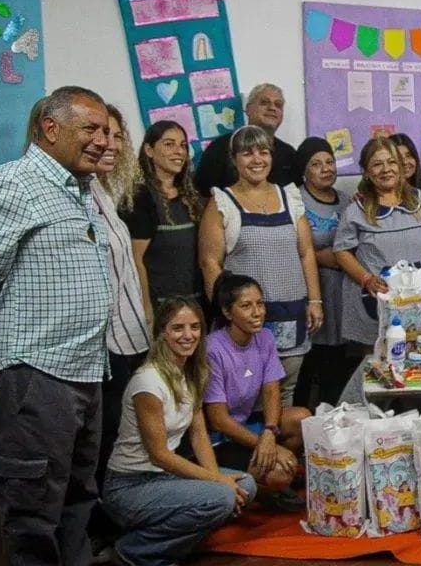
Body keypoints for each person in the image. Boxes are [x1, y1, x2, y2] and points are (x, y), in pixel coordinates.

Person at [0, 86, 111, 566]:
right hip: (37, 376)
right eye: (90, 129)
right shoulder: (15, 183)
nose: (102, 140)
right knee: (34, 515)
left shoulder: (79, 188)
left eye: (105, 130)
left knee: (79, 503)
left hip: (83, 372)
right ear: (50, 128)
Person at [103, 298, 255, 566]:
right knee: (222, 497)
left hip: (164, 480)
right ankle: (136, 551)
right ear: (162, 333)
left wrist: (216, 477)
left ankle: (165, 545)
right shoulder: (148, 382)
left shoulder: (191, 373)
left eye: (195, 327)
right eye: (178, 328)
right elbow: (159, 455)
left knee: (246, 485)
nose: (188, 335)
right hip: (130, 485)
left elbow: (198, 435)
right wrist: (217, 483)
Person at [198, 125, 323, 406]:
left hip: (291, 310)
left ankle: (278, 446)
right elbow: (209, 263)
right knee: (244, 392)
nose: (257, 159)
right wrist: (227, 311)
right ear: (234, 159)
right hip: (245, 320)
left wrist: (315, 299)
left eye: (263, 152)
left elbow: (305, 252)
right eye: (247, 153)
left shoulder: (289, 197)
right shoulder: (222, 202)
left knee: (285, 391)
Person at [334, 137, 421, 403]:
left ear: (401, 165)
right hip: (375, 303)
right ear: (366, 172)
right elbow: (341, 251)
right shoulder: (356, 210)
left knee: (417, 361)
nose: (385, 169)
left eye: (391, 162)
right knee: (376, 371)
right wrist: (366, 278)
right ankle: (376, 430)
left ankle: (411, 424)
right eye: (377, 164)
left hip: (418, 301)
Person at [89, 104, 152, 547]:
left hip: (128, 334)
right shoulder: (80, 195)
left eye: (116, 135)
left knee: (121, 432)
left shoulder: (109, 195)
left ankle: (120, 517)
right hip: (101, 342)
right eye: (100, 135)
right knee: (104, 435)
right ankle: (101, 526)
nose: (110, 144)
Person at [203, 272, 310, 504]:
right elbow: (218, 419)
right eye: (246, 306)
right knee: (281, 474)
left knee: (302, 418)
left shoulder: (265, 338)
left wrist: (270, 432)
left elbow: (272, 390)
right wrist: (263, 443)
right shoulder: (212, 349)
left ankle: (270, 471)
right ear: (227, 312)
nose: (257, 312)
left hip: (250, 421)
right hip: (223, 436)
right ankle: (263, 489)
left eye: (260, 304)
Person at [291, 137, 354, 407]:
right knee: (308, 367)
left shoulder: (348, 201)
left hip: (343, 295)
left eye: (329, 161)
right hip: (312, 294)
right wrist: (321, 257)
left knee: (338, 367)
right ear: (304, 171)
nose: (326, 168)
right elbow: (291, 248)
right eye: (316, 164)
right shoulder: (295, 200)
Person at [121, 120, 205, 325]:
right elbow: (135, 260)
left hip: (196, 306)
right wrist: (147, 310)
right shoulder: (139, 198)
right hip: (162, 310)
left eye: (183, 145)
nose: (179, 151)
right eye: (169, 144)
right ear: (149, 150)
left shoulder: (192, 195)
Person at [194, 83, 300, 193]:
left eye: (278, 105)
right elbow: (202, 195)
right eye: (264, 102)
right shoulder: (222, 146)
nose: (272, 108)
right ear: (248, 109)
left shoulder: (289, 154)